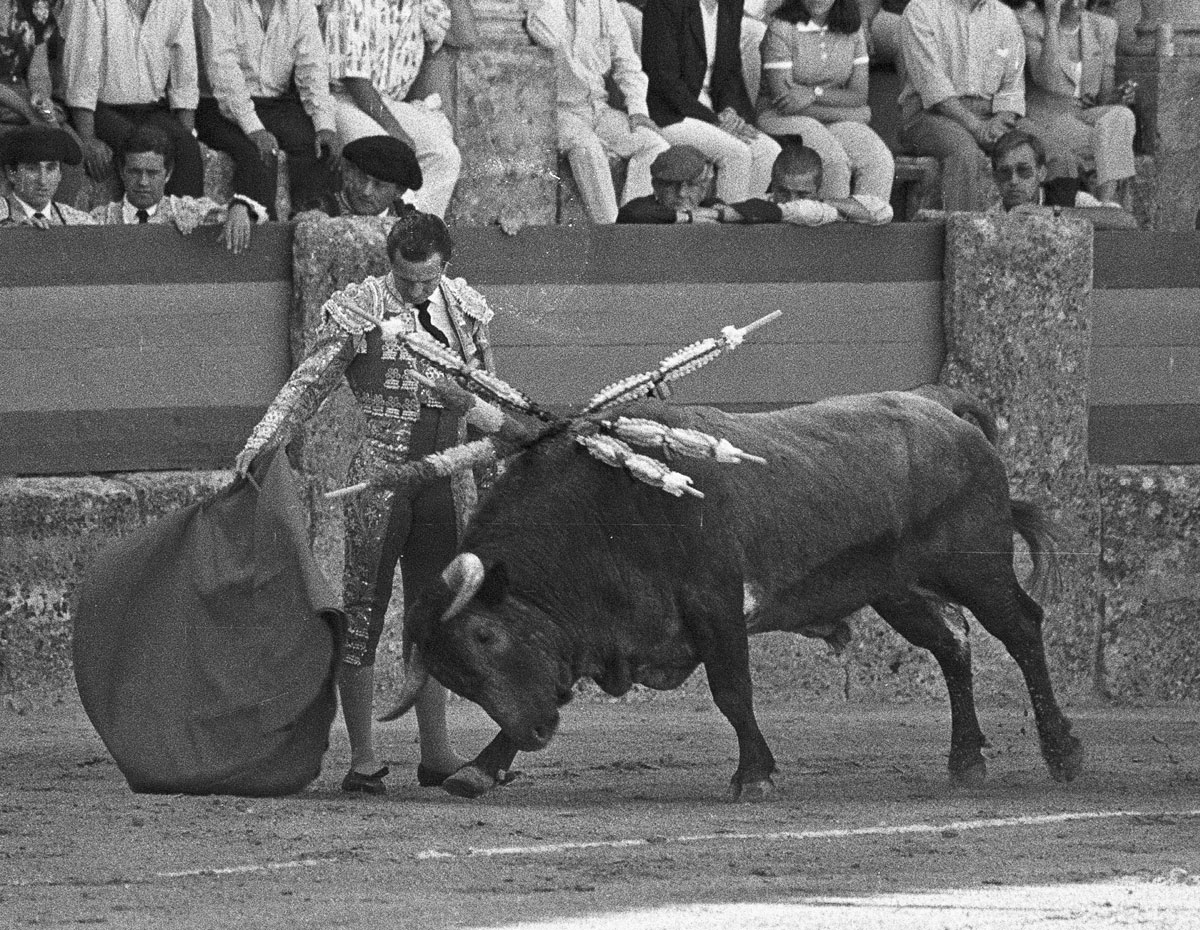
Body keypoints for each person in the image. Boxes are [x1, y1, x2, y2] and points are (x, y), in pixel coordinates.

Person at [234, 211, 495, 796]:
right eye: (406, 281)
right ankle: (364, 759)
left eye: (428, 281)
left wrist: (492, 475)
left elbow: (489, 399)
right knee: (363, 611)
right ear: (390, 265)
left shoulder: (468, 309)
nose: (417, 293)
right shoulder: (360, 307)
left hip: (445, 479)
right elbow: (308, 384)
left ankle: (436, 752)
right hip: (378, 480)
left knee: (438, 615)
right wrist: (261, 441)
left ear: (446, 266)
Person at [321, 0, 474, 218]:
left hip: (390, 102)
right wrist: (397, 131)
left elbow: (466, 37)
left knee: (444, 155)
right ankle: (377, 236)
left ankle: (413, 234)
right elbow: (355, 80)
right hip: (343, 98)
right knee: (383, 153)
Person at [526, 0, 670, 224]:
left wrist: (637, 110)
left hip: (596, 109)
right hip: (556, 111)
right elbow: (548, 35)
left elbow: (627, 62)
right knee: (587, 148)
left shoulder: (605, 4)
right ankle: (610, 235)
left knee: (654, 145)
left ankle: (632, 226)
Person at [194, 0, 340, 220]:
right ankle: (262, 234)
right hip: (217, 106)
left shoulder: (300, 5)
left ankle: (308, 226)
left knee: (318, 147)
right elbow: (223, 71)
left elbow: (313, 69)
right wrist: (254, 129)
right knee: (257, 154)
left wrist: (325, 125)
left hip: (274, 104)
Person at [641, 0, 782, 201]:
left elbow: (729, 72)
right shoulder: (665, 5)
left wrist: (731, 113)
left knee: (768, 151)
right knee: (736, 153)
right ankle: (721, 227)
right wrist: (714, 119)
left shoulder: (730, 4)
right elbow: (664, 80)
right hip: (670, 113)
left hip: (713, 112)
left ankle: (741, 226)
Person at [60, 0, 204, 196]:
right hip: (101, 109)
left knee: (187, 149)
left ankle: (182, 224)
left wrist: (184, 134)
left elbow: (185, 73)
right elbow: (81, 72)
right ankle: (143, 225)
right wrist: (88, 138)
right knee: (140, 147)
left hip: (151, 109)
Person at [757, 0, 894, 202]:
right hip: (781, 117)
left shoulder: (852, 29)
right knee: (833, 162)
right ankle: (828, 227)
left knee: (878, 160)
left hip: (831, 119)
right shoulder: (782, 27)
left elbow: (858, 94)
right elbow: (786, 102)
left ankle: (867, 229)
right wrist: (853, 114)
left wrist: (814, 93)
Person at [897, 0, 1026, 211]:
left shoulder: (1005, 15)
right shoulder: (920, 9)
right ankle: (963, 233)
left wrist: (1001, 121)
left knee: (1030, 146)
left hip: (992, 115)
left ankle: (1026, 234)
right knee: (964, 151)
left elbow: (1013, 86)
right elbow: (934, 89)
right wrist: (977, 127)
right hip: (929, 115)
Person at [1014, 0, 1135, 205]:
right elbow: (1047, 79)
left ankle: (1105, 204)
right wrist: (1052, 20)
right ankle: (1108, 209)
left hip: (1083, 113)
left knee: (1122, 116)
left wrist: (1119, 96)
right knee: (1107, 140)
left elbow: (1104, 94)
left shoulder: (1103, 27)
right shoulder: (1028, 23)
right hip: (1045, 116)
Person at [89, 125, 263, 252]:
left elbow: (258, 216)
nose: (143, 182)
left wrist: (240, 207)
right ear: (122, 172)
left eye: (152, 173)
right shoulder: (100, 219)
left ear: (168, 174)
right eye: (135, 172)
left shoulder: (187, 211)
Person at [0, 0, 85, 204]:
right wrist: (27, 111)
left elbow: (38, 72)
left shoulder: (35, 7)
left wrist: (40, 97)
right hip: (8, 102)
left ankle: (58, 221)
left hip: (22, 97)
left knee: (71, 147)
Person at [988, 127, 1135, 226]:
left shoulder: (1067, 196)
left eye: (1024, 171)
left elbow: (1125, 220)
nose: (1013, 180)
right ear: (995, 178)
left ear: (1042, 173)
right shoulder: (990, 218)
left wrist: (1054, 213)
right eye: (1004, 173)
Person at [303, 134, 424, 218]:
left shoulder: (410, 225)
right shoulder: (320, 210)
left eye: (379, 185)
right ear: (349, 172)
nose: (366, 191)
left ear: (399, 191)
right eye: (362, 178)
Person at [0, 121, 94, 224]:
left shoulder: (79, 222)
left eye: (50, 169)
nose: (43, 180)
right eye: (32, 169)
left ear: (60, 175)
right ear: (12, 173)